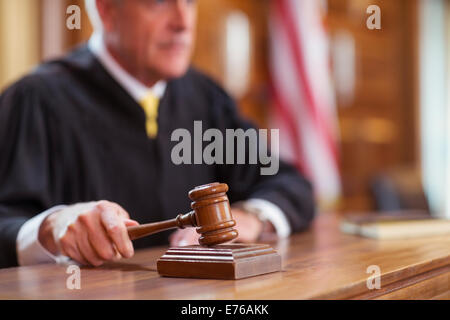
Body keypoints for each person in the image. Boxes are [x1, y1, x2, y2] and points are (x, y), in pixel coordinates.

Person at [0, 0, 315, 269]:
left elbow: (289, 184)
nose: (182, 22)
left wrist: (250, 217)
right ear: (107, 9)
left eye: (189, 1)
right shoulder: (37, 100)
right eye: (159, 1)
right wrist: (50, 228)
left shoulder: (207, 98)